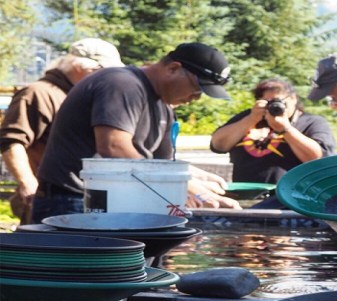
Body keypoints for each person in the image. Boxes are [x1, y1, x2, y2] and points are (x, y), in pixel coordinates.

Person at [31, 42, 239, 223]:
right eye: (198, 88)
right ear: (173, 68)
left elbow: (163, 165)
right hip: (74, 201)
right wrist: (185, 186)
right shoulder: (122, 83)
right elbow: (113, 146)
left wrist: (200, 186)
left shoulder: (164, 106)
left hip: (120, 202)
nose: (196, 98)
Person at [0, 38, 123, 224]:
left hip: (82, 195)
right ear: (81, 67)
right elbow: (12, 141)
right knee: (47, 250)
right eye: (102, 72)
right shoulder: (38, 93)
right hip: (50, 196)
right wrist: (28, 183)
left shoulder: (78, 94)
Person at [210, 78, 336, 184]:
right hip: (246, 195)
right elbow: (218, 145)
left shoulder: (312, 122)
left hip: (291, 199)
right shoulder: (250, 117)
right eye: (269, 102)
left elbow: (318, 159)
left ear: (294, 98)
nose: (274, 106)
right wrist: (251, 119)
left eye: (279, 101)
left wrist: (285, 129)